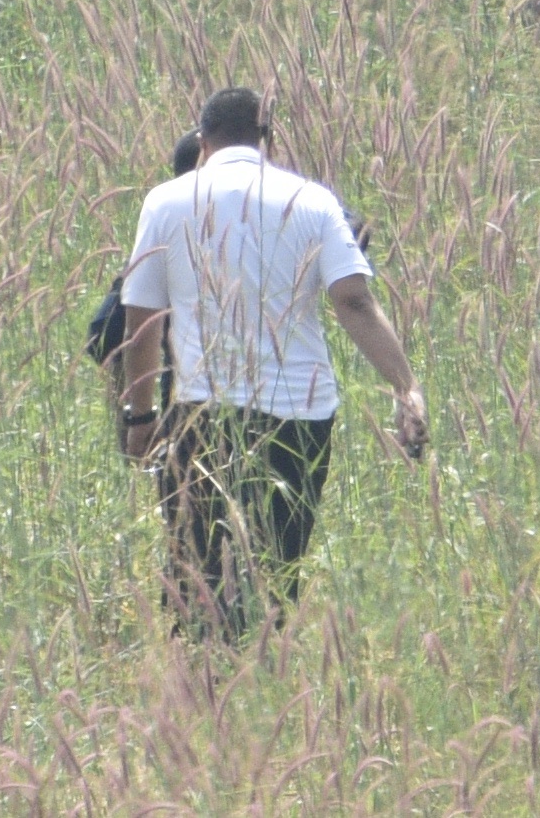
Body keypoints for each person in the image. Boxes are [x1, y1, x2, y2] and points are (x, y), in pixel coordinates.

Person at [117, 89, 427, 640]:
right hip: (300, 419)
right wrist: (406, 387)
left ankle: (206, 694)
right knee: (276, 573)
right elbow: (354, 301)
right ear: (268, 140)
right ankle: (262, 677)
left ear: (203, 142)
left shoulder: (164, 202)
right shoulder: (313, 201)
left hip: (201, 416)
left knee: (201, 581)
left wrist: (140, 416)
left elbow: (144, 322)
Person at [88, 131, 204, 442]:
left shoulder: (164, 238)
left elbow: (104, 335)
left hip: (183, 410)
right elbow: (105, 336)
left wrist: (135, 415)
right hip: (197, 415)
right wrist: (137, 416)